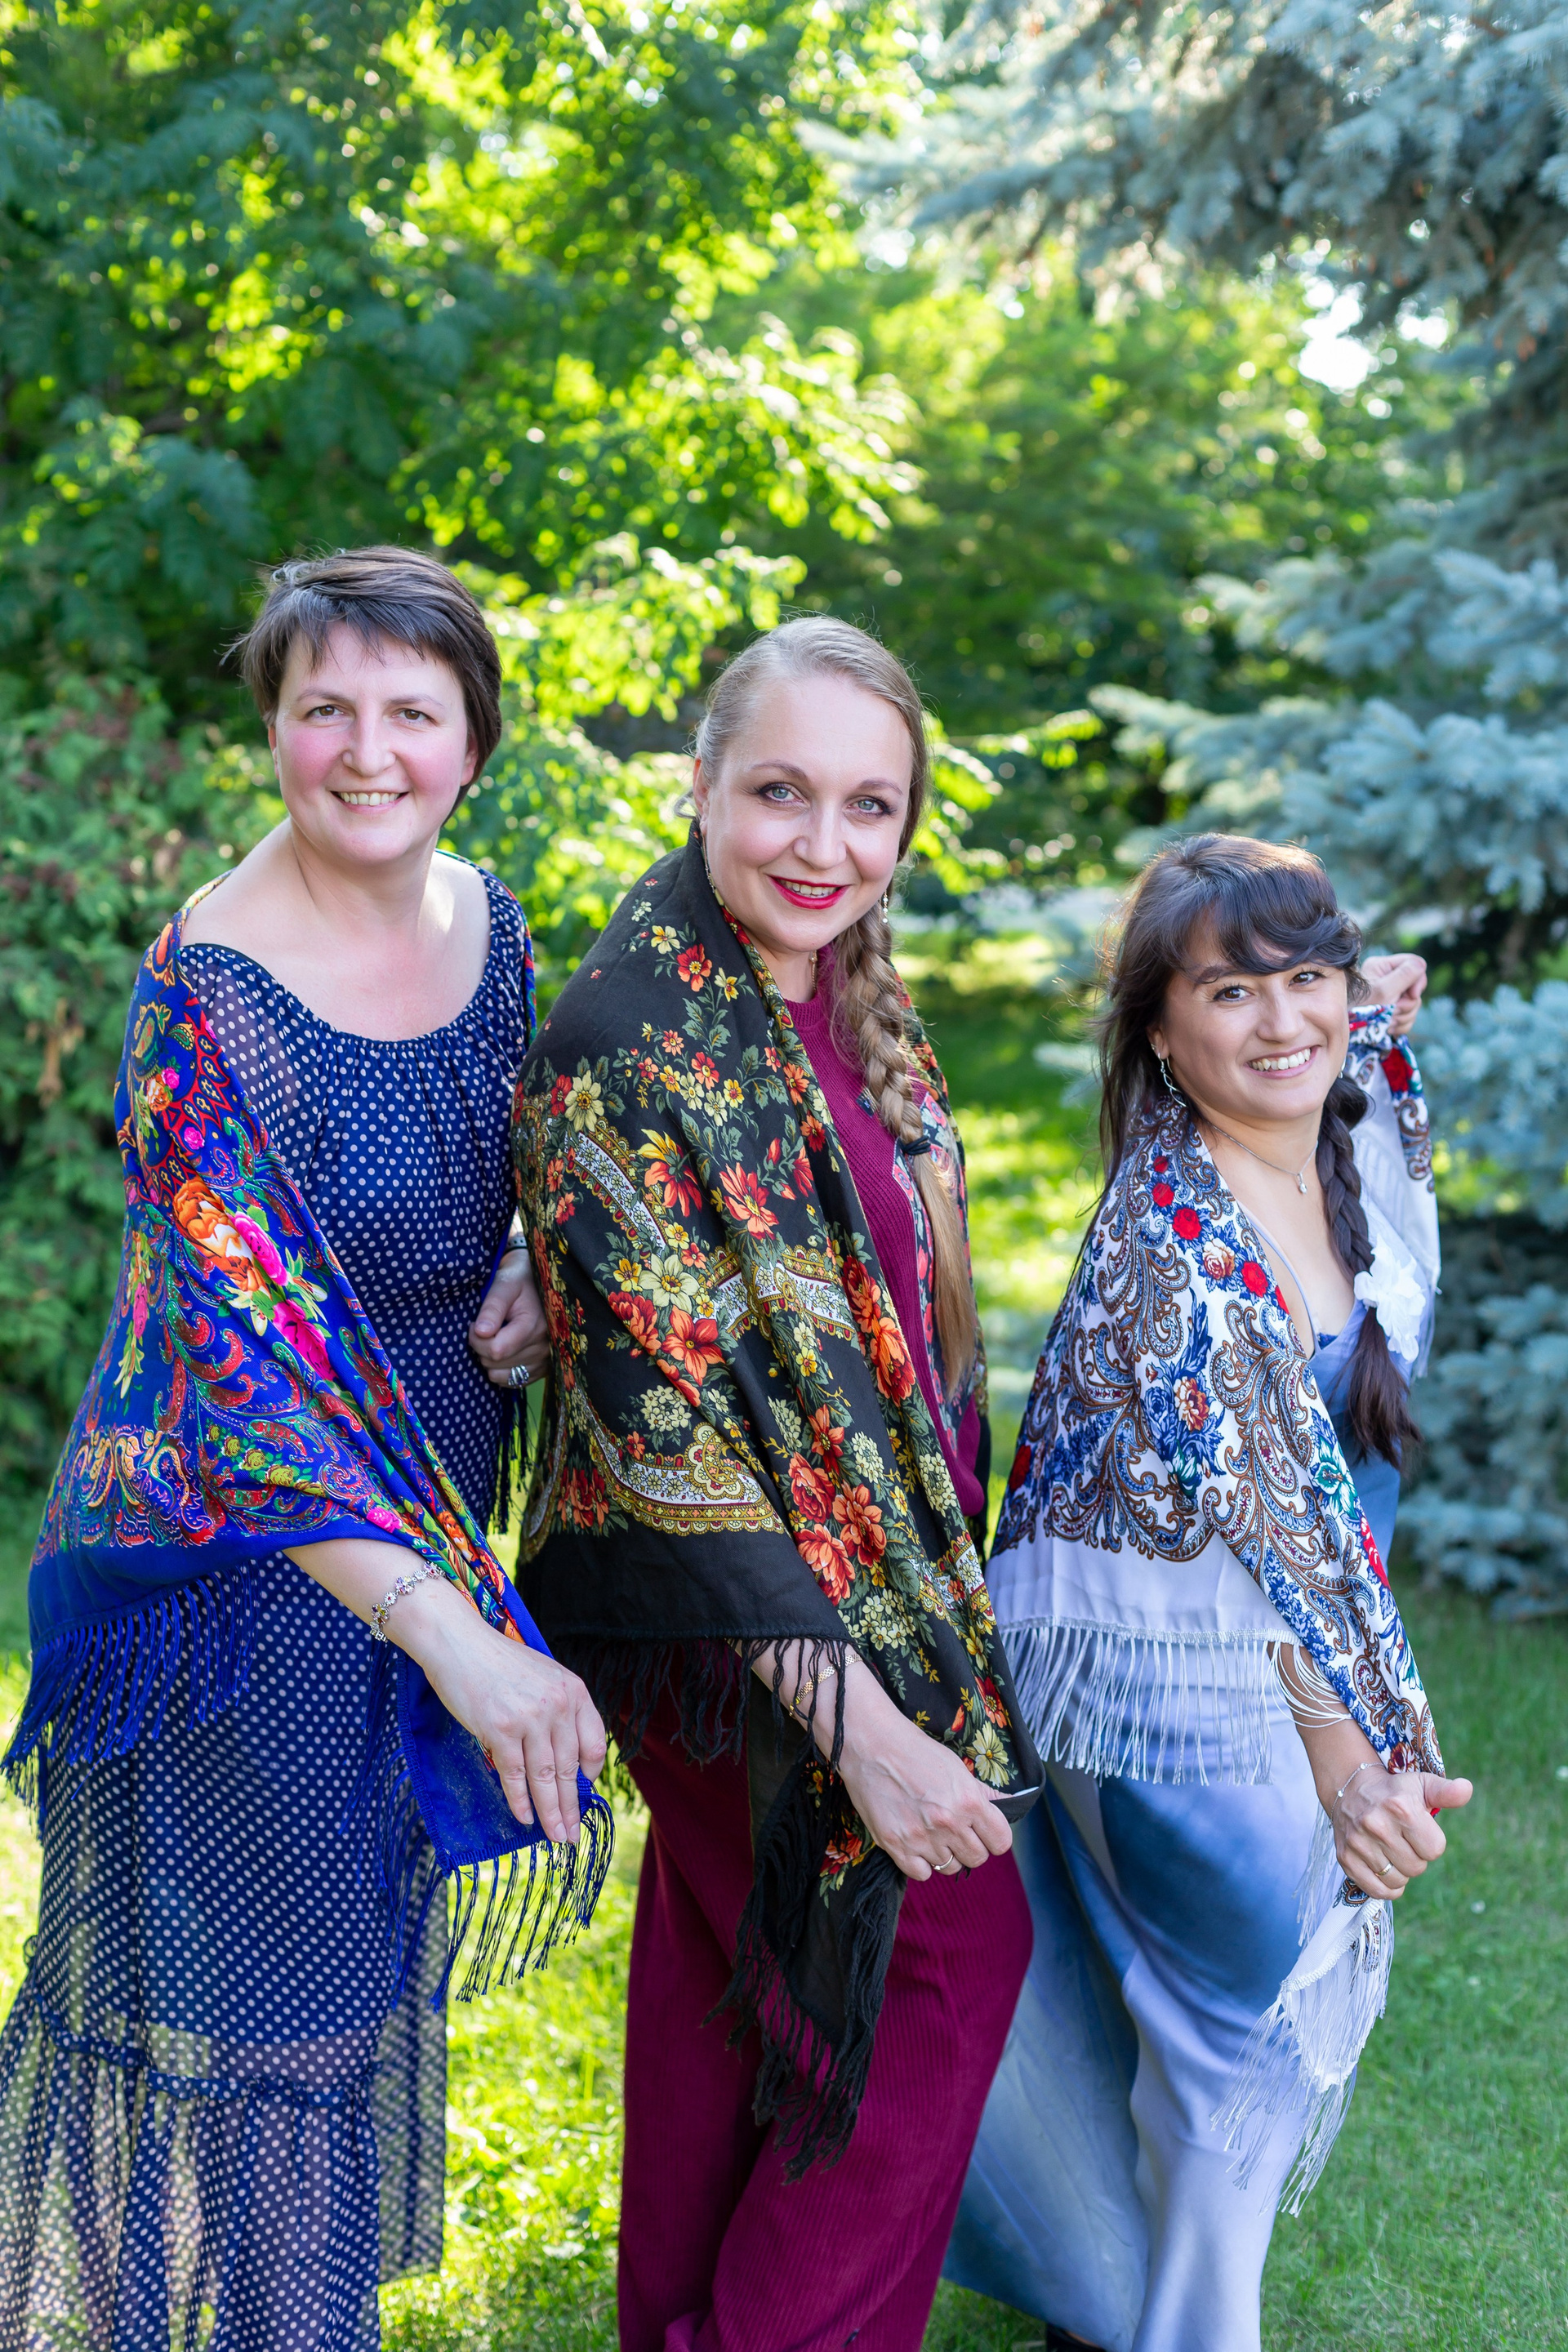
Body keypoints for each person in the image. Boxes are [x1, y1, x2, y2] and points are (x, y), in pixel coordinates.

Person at [0, 547, 610, 2350]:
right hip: (247, 1580)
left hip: (425, 1537)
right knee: (270, 2041)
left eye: (412, 712)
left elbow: (517, 1166)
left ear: (473, 743)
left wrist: (532, 1259)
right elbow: (250, 1393)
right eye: (324, 707)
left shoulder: (493, 928)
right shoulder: (206, 998)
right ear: (269, 727)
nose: (367, 751)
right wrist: (463, 1645)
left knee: (334, 2016)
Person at [513, 616, 1041, 2352]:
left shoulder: (844, 995)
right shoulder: (628, 1038)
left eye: (870, 806)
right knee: (940, 1967)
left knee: (736, 1982)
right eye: (782, 794)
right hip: (728, 1622)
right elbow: (668, 1445)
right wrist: (870, 1736)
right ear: (702, 785)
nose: (825, 845)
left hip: (861, 1579)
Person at [946, 835, 1472, 2352]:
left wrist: (1363, 996)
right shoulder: (1180, 1237)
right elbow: (1266, 1534)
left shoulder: (1333, 1120)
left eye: (1305, 978)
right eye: (1230, 993)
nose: (1283, 1020)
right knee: (1242, 2050)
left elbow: (1356, 1035)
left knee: (1196, 2049)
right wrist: (1349, 1768)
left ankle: (1119, 2314)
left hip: (1254, 1637)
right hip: (1168, 1669)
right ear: (1161, 1036)